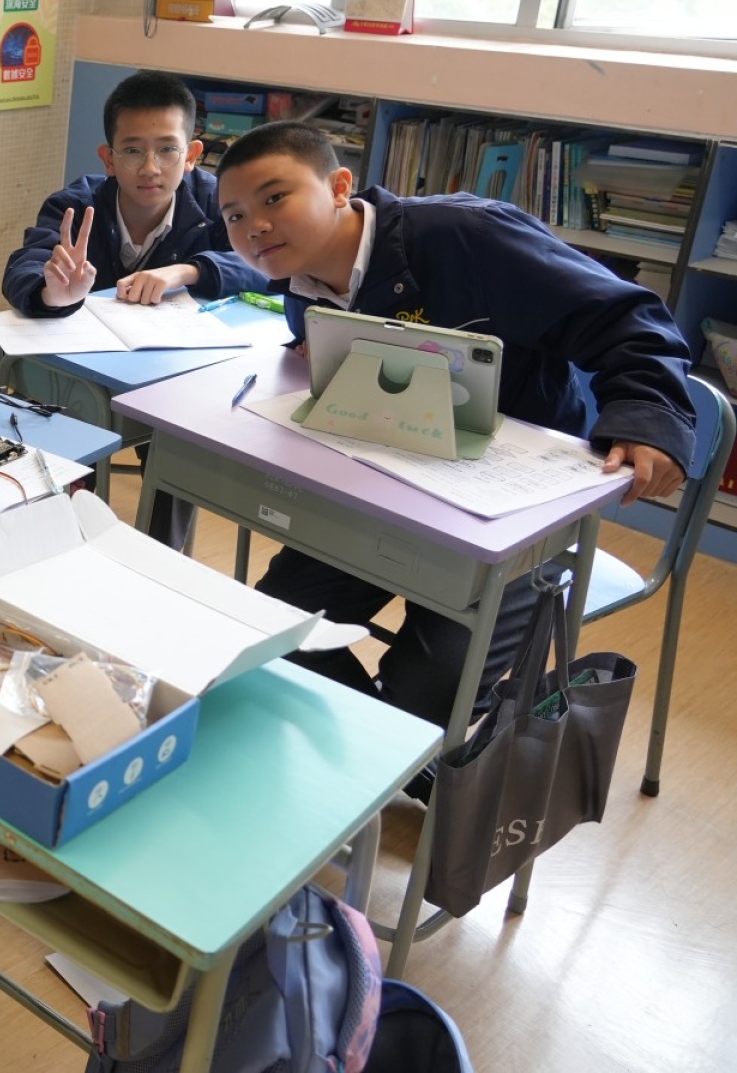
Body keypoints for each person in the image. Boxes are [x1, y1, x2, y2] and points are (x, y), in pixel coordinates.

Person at [213, 120, 694, 747]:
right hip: (389, 491)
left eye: (275, 197)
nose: (255, 226)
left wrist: (648, 411)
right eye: (234, 215)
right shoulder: (302, 284)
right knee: (274, 630)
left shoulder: (469, 236)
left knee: (428, 690)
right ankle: (392, 761)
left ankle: (402, 758)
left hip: (515, 513)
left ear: (338, 186)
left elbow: (626, 316)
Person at [0, 69, 265, 547]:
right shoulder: (76, 204)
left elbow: (263, 263)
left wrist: (187, 271)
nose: (150, 168)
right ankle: (70, 541)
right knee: (66, 445)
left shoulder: (216, 202)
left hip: (172, 374)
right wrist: (52, 293)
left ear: (192, 155)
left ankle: (160, 555)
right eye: (132, 150)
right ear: (108, 158)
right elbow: (25, 267)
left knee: (178, 441)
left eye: (167, 149)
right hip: (85, 373)